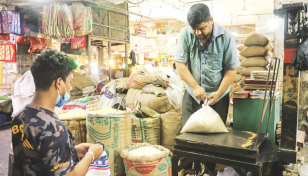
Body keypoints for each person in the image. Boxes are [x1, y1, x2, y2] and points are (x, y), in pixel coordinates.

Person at [12, 49, 104, 176]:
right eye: (70, 82)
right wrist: (91, 155)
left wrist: (72, 152)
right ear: (59, 83)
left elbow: (35, 157)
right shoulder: (53, 127)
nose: (71, 88)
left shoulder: (19, 116)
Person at [175, 3, 240, 173]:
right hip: (192, 94)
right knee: (188, 137)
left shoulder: (226, 36)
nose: (197, 33)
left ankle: (209, 171)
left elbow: (231, 70)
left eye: (202, 28)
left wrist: (218, 93)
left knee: (214, 140)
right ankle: (188, 170)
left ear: (211, 20)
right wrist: (195, 86)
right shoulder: (185, 34)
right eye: (194, 29)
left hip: (218, 95)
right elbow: (180, 64)